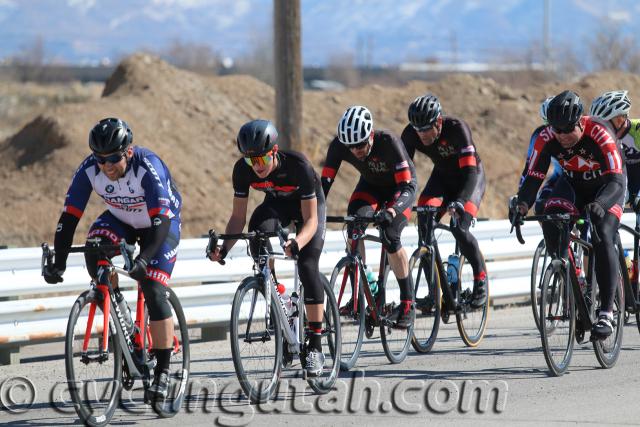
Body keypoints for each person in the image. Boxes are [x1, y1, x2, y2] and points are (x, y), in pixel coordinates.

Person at [43, 117, 182, 398]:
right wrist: (59, 260)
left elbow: (161, 222)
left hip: (160, 224)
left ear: (128, 152)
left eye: (114, 159)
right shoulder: (89, 170)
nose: (107, 166)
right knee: (95, 248)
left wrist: (144, 261)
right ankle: (124, 323)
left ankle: (164, 371)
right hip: (121, 221)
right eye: (101, 159)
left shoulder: (148, 166)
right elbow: (69, 217)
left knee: (154, 289)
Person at [208, 119, 328, 376]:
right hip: (278, 205)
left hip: (309, 208)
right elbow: (237, 218)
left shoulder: (299, 167)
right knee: (256, 233)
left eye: (261, 160)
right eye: (252, 161)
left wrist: (297, 242)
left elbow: (310, 221)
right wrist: (224, 249)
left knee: (307, 265)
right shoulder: (242, 170)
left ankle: (316, 346)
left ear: (274, 152)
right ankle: (279, 299)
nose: (257, 167)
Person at [513, 90, 625, 339]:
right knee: (551, 214)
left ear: (579, 123)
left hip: (607, 187)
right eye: (556, 130)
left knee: (603, 233)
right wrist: (521, 206)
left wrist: (601, 204)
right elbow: (533, 179)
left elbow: (616, 182)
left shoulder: (600, 133)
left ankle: (606, 313)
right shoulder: (546, 137)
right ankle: (567, 273)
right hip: (573, 185)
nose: (561, 136)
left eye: (567, 130)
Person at [321, 106, 417, 328]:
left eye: (361, 145)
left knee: (390, 235)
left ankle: (407, 303)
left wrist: (392, 210)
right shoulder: (338, 145)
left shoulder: (389, 142)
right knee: (354, 225)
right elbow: (323, 186)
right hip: (370, 187)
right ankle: (363, 292)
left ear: (371, 136)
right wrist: (314, 212)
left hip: (400, 189)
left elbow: (407, 187)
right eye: (351, 146)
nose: (356, 151)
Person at [401, 94, 488, 309]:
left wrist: (459, 201)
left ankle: (480, 279)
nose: (421, 134)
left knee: (458, 227)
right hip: (441, 179)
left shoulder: (458, 129)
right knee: (424, 221)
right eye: (417, 129)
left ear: (439, 122)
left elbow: (469, 172)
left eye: (426, 129)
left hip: (470, 179)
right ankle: (434, 291)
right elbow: (403, 174)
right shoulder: (411, 134)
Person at [589, 90, 640, 208]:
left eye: (606, 123)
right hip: (619, 177)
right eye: (599, 124)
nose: (603, 129)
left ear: (621, 119)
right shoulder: (598, 136)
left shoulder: (637, 130)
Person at [516, 97, 564, 214]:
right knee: (540, 207)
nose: (555, 130)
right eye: (549, 124)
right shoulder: (540, 136)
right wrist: (521, 197)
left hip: (579, 179)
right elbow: (529, 170)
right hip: (558, 177)